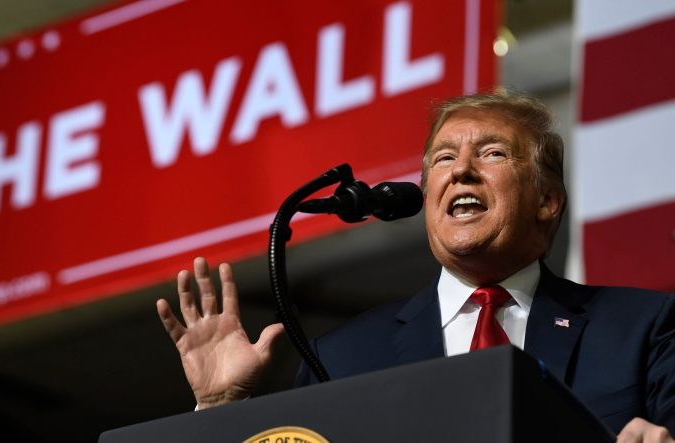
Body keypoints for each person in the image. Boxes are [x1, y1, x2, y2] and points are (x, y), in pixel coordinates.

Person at [156, 92, 675, 441]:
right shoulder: (344, 357)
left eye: (492, 153)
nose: (462, 171)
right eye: (443, 160)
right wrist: (221, 410)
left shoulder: (643, 329)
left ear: (548, 200)